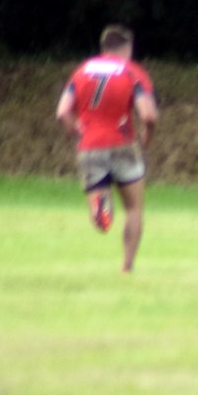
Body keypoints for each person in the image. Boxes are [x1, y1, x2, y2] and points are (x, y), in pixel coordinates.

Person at [55, 25, 159, 274]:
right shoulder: (132, 71)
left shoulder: (83, 70)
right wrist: (147, 136)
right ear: (127, 48)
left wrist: (76, 130)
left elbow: (62, 112)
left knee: (102, 219)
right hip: (123, 144)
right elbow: (148, 114)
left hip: (90, 146)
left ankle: (99, 203)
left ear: (103, 47)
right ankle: (127, 267)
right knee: (134, 209)